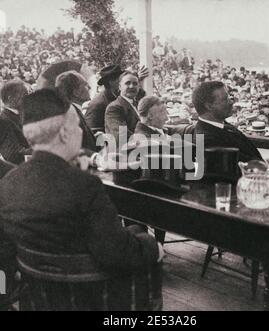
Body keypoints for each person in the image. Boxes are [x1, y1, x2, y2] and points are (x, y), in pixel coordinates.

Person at [0, 89, 163, 274]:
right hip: (93, 295)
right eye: (77, 126)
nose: (80, 132)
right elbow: (116, 252)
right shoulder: (85, 186)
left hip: (37, 294)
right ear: (63, 133)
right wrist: (153, 247)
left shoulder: (9, 183)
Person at [192, 81, 263, 162]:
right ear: (209, 106)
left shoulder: (222, 126)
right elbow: (243, 167)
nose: (231, 102)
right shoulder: (208, 140)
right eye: (225, 99)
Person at [85, 65, 148, 132]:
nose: (131, 85)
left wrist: (136, 79)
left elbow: (139, 94)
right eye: (121, 78)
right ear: (112, 82)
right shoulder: (98, 104)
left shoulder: (121, 95)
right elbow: (90, 131)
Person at [55, 70, 97, 152]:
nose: (90, 88)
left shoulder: (73, 110)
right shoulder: (71, 115)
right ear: (76, 92)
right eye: (85, 85)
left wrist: (93, 137)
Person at [105, 71, 141, 148]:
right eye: (127, 83)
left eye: (135, 84)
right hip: (124, 153)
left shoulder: (139, 105)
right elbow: (122, 136)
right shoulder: (114, 108)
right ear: (120, 87)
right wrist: (150, 140)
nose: (131, 86)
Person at [0, 80, 31, 164]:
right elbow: (14, 155)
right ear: (11, 98)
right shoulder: (3, 121)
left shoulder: (20, 115)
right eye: (25, 95)